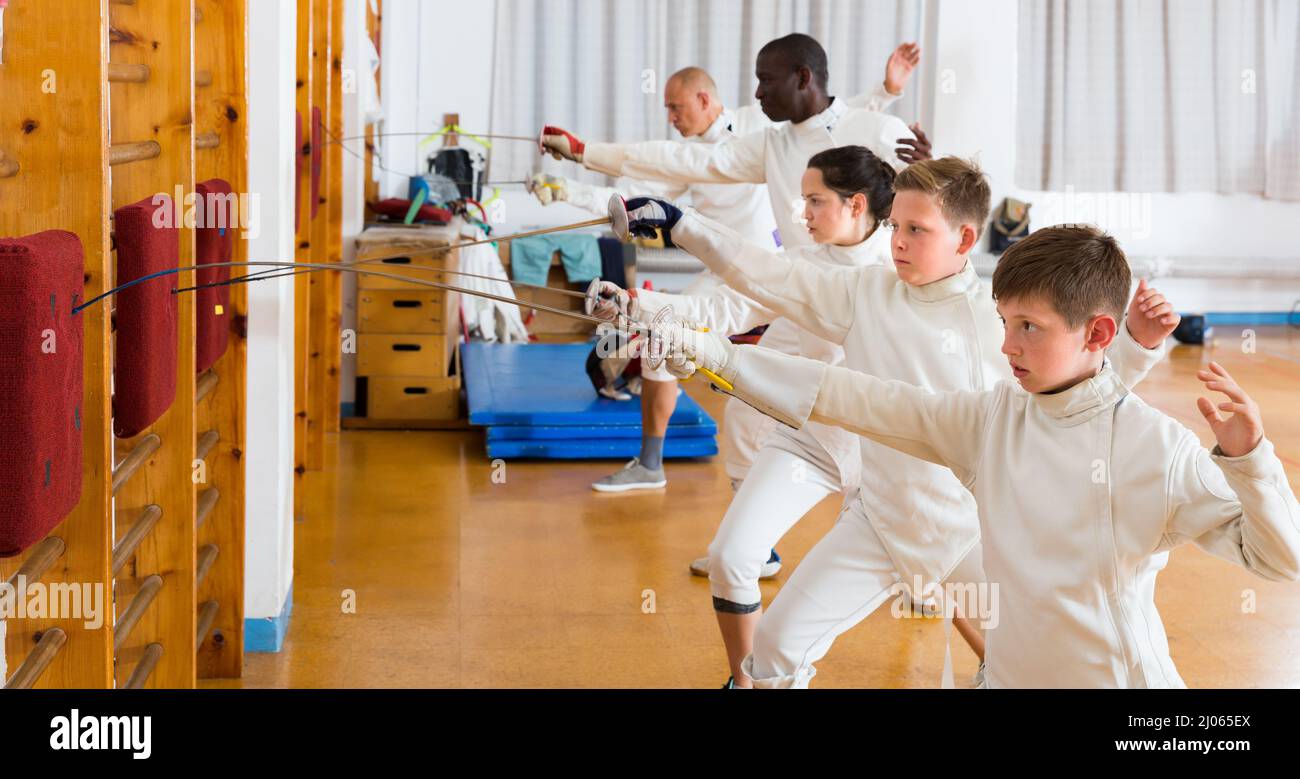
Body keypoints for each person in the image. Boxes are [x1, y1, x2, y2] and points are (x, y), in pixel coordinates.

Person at [613, 156, 1180, 688]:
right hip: (880, 522)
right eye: (896, 227)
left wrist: (1137, 346)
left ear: (963, 239)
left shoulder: (1000, 319)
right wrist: (683, 225)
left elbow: (1080, 401)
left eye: (918, 230)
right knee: (776, 650)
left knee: (1034, 662)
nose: (899, 243)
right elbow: (771, 277)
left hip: (972, 531)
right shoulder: (864, 292)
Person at [658, 224, 1300, 688]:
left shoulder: (1156, 448)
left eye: (1030, 329)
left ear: (1098, 333)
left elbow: (1280, 559)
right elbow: (857, 398)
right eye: (1005, 323)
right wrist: (715, 355)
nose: (1007, 347)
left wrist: (1250, 461)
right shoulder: (990, 420)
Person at [533, 43, 926, 496]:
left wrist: (919, 149)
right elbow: (679, 161)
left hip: (843, 293)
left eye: (766, 80)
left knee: (855, 436)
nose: (758, 91)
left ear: (802, 78)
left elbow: (908, 169)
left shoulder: (838, 128)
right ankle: (737, 529)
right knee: (745, 408)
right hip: (774, 277)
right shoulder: (768, 143)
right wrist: (584, 155)